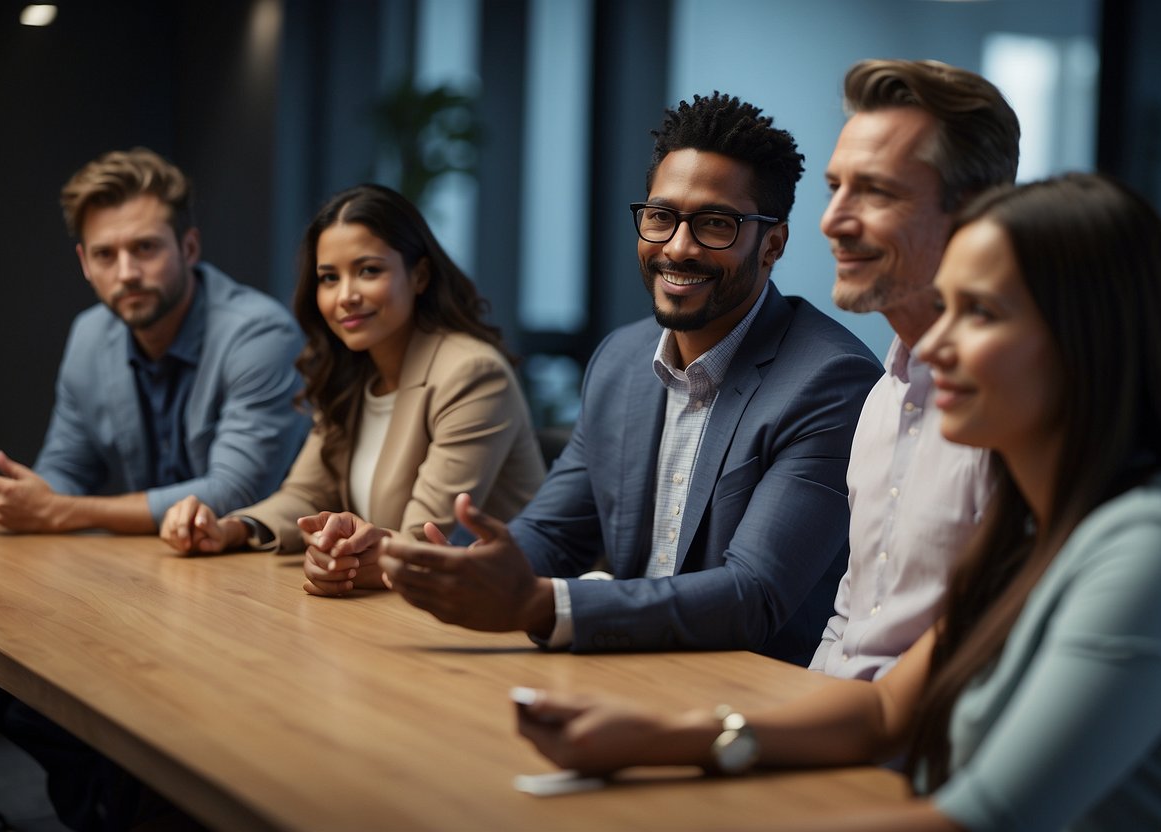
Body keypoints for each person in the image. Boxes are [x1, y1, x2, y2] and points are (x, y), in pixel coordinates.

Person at [514, 172, 1161, 831]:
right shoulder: (1034, 529)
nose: (932, 345)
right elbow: (883, 714)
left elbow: (980, 823)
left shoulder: (1150, 550)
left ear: (1087, 344)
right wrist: (662, 737)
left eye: (980, 314)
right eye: (945, 307)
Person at [340, 92, 885, 665]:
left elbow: (752, 597)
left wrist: (541, 606)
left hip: (753, 698)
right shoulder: (621, 361)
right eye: (661, 217)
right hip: (624, 671)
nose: (678, 247)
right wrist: (407, 561)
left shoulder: (830, 382)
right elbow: (554, 535)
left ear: (771, 243)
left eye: (716, 225)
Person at [159, 184, 546, 596]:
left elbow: (428, 536)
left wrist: (337, 559)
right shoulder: (354, 371)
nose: (345, 296)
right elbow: (307, 494)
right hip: (405, 607)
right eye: (329, 278)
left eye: (368, 271)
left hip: (501, 608)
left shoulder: (472, 373)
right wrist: (229, 528)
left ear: (419, 275)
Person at [810, 59, 1019, 680]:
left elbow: (987, 658)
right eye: (835, 188)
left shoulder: (1014, 414)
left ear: (974, 213)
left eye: (877, 192)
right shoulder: (882, 395)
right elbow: (852, 620)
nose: (833, 221)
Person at [0, 147, 308, 534]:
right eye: (105, 254)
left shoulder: (261, 334)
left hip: (261, 571)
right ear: (85, 264)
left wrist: (62, 510)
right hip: (152, 571)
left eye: (145, 247)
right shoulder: (90, 335)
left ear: (189, 247)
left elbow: (235, 492)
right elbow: (66, 470)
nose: (126, 273)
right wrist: (23, 500)